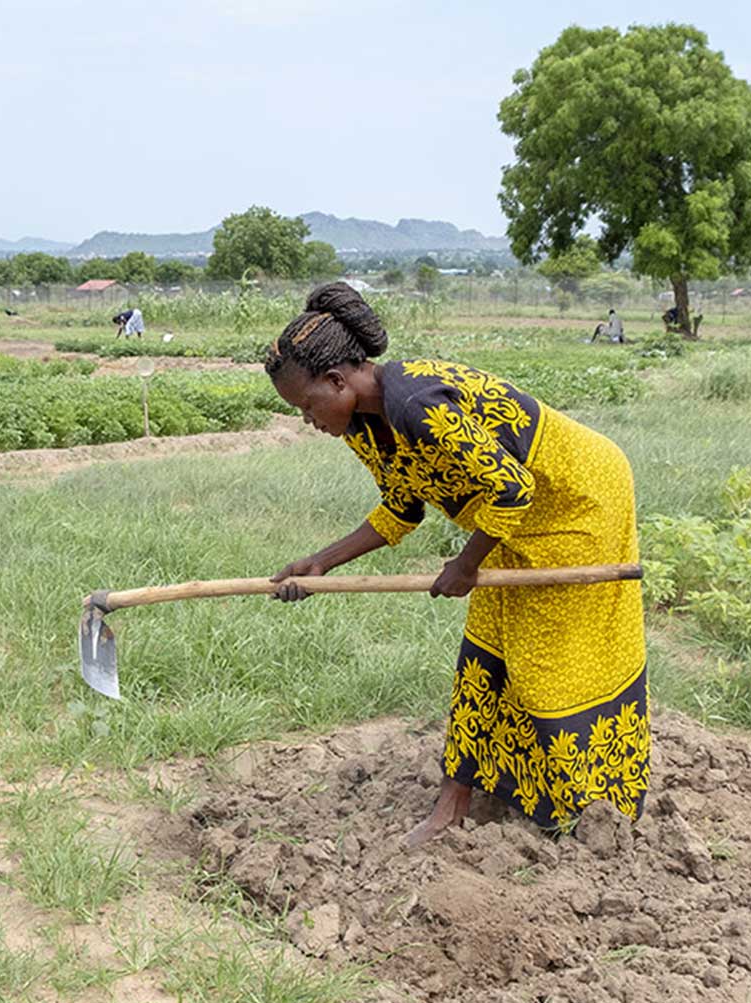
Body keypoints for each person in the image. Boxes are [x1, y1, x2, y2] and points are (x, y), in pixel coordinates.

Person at [267, 283, 648, 847]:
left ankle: (587, 809)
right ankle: (454, 804)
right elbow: (402, 508)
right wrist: (320, 563)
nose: (307, 419)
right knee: (485, 651)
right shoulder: (364, 424)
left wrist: (467, 566)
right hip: (509, 518)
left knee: (550, 659)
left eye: (305, 405)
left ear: (338, 381)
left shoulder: (417, 405)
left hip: (576, 501)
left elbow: (513, 489)